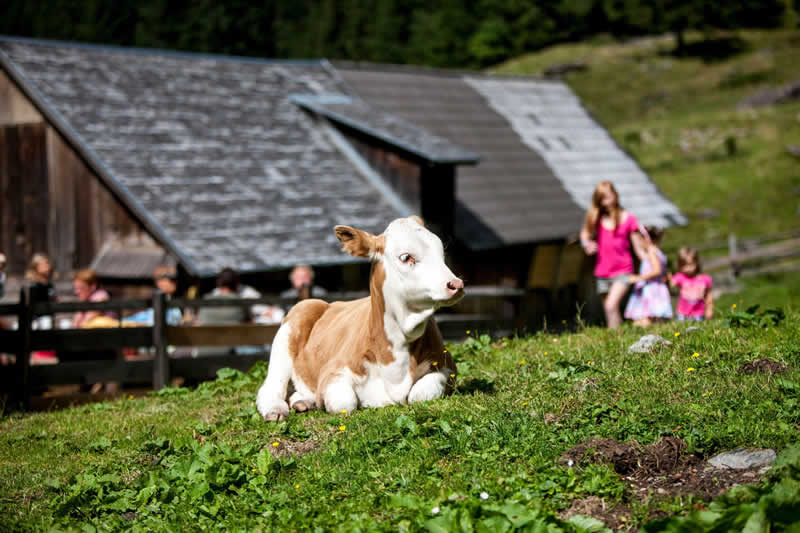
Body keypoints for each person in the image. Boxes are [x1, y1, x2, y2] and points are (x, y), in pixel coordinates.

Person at [579, 181, 647, 329]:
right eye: (602, 199)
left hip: (623, 270)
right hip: (602, 272)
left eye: (609, 197)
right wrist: (586, 244)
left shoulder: (628, 219)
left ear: (615, 195)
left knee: (611, 305)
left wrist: (652, 263)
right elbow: (584, 234)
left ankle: (615, 338)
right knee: (611, 311)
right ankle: (618, 341)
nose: (607, 202)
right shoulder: (596, 218)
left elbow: (639, 249)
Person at [193, 267, 251, 356]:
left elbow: (198, 323)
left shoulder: (206, 300)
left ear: (218, 282)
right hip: (229, 356)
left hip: (202, 353)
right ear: (237, 284)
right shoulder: (241, 303)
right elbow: (249, 325)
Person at [623, 226, 673, 327]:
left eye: (640, 240)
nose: (640, 243)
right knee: (653, 317)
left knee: (645, 318)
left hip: (651, 288)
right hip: (657, 287)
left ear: (646, 239)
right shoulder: (658, 252)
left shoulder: (651, 252)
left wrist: (638, 278)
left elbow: (657, 270)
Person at [25, 253, 58, 364]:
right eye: (43, 265)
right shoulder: (34, 285)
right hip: (37, 318)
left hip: (48, 315)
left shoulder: (49, 284)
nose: (47, 267)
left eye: (47, 264)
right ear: (36, 267)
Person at [670, 247, 713, 322]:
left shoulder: (704, 279)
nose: (687, 268)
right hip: (682, 314)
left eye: (690, 265)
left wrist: (709, 309)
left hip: (698, 314)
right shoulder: (680, 277)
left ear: (696, 263)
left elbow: (708, 295)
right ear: (679, 266)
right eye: (684, 265)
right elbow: (670, 284)